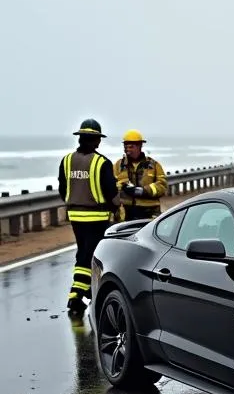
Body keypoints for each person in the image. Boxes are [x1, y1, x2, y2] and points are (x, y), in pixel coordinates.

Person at [58, 119, 119, 315]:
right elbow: (111, 192)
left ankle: (84, 292)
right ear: (96, 140)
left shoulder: (66, 160)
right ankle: (77, 295)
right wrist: (116, 208)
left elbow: (62, 188)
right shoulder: (102, 162)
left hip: (75, 216)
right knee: (90, 256)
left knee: (83, 253)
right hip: (97, 217)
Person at [114, 129, 167, 222]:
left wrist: (143, 191)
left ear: (140, 146)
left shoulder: (153, 165)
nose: (128, 150)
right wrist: (121, 187)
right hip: (126, 213)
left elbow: (162, 186)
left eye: (131, 147)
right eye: (125, 147)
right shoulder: (118, 165)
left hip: (149, 212)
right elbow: (111, 187)